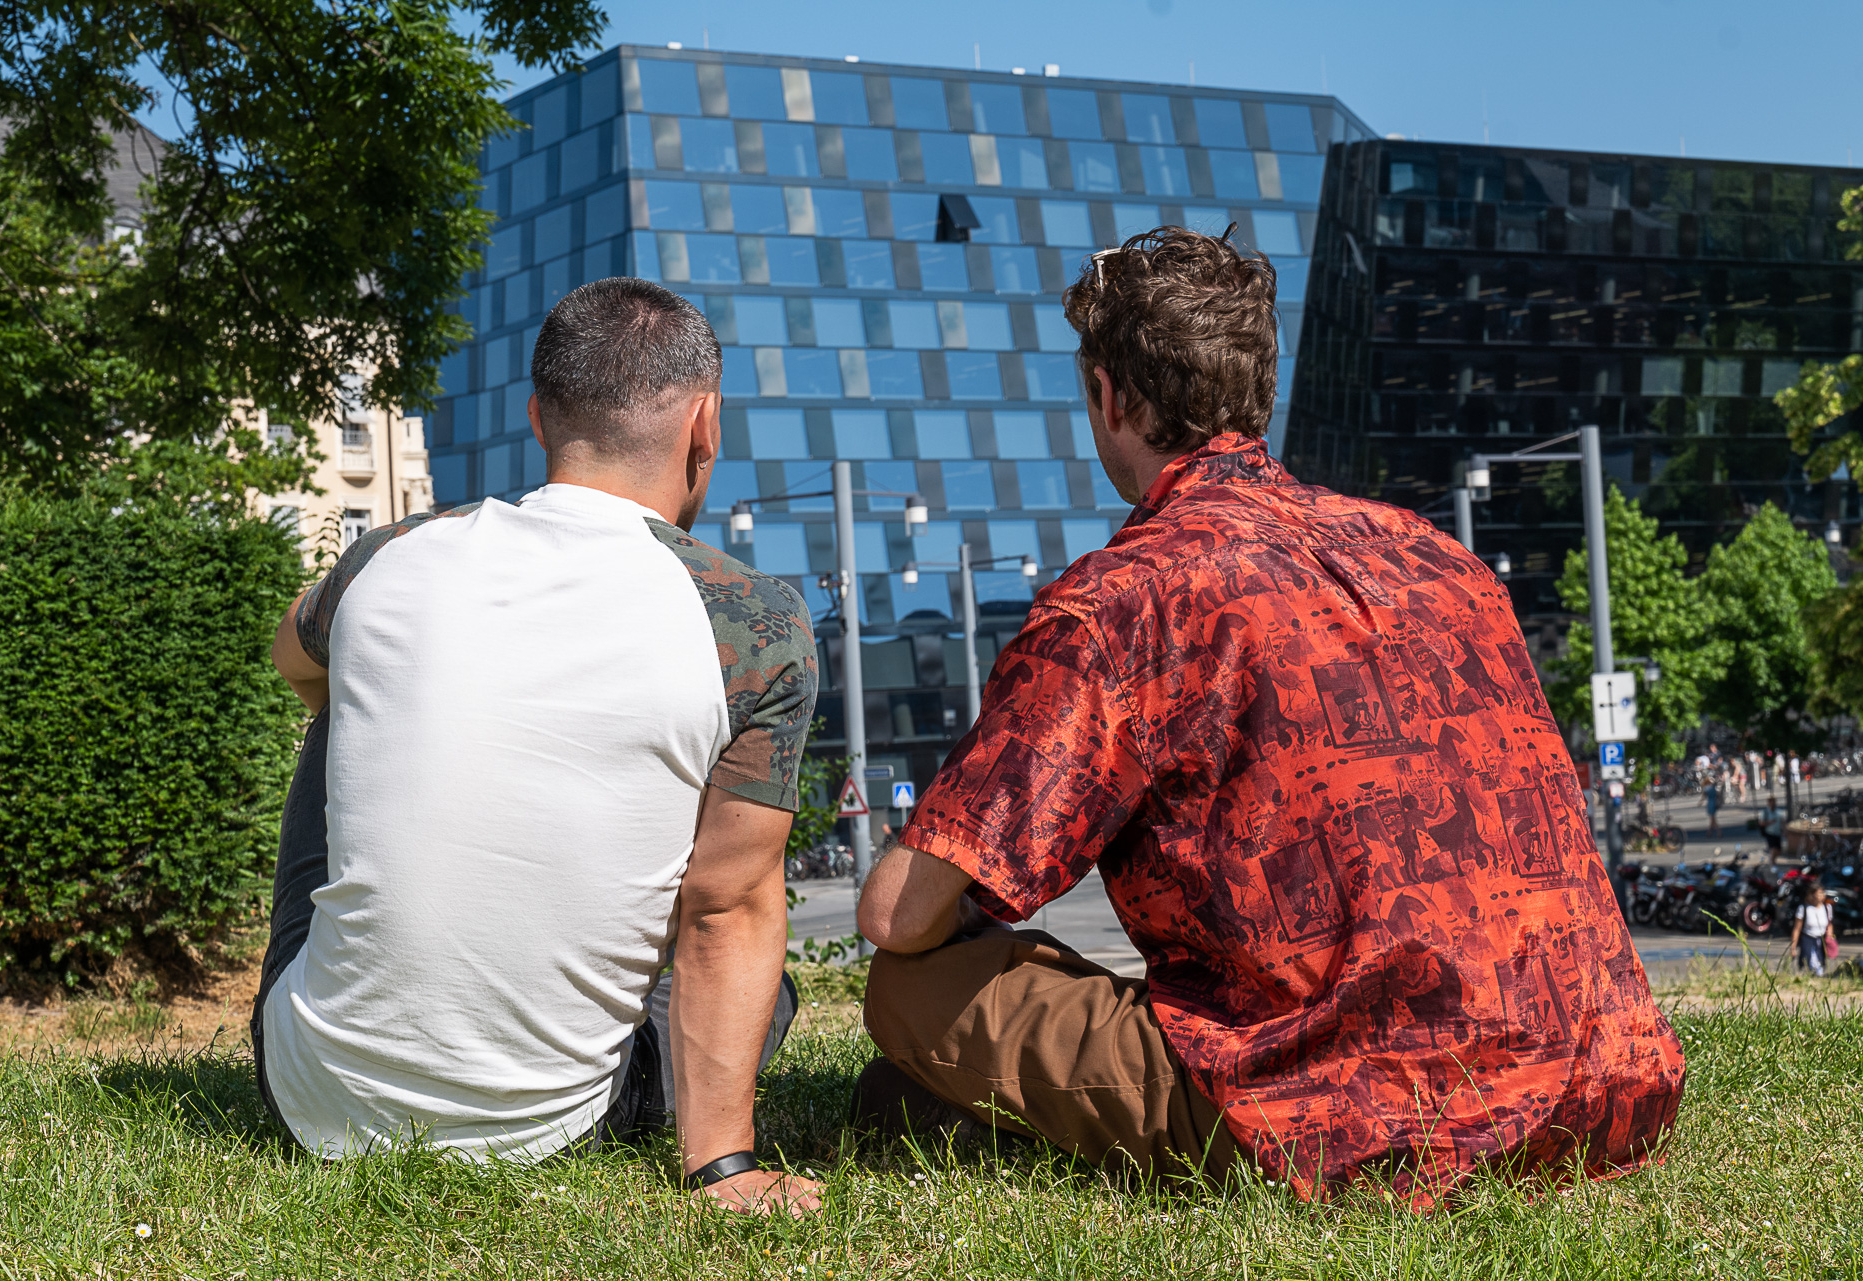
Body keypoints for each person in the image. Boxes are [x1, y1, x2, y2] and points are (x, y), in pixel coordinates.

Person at [852, 228, 1686, 1204]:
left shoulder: (1127, 598)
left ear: (1108, 396)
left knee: (910, 989)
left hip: (1359, 1117)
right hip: (1601, 1089)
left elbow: (895, 916)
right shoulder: (1440, 559)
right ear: (1261, 383)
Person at [253, 278, 822, 1214]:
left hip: (313, 1090)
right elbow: (726, 908)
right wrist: (725, 1165)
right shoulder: (753, 619)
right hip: (556, 1122)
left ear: (537, 418)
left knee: (336, 693)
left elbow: (291, 656)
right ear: (706, 424)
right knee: (773, 988)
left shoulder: (388, 554)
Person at [1793, 885, 1836, 977]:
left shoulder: (1827, 908)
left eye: (1822, 893)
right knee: (1810, 961)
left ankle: (1817, 978)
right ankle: (1813, 977)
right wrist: (1793, 947)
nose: (1821, 896)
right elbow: (1797, 929)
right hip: (1807, 938)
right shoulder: (1803, 908)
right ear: (1811, 895)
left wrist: (1830, 936)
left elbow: (1829, 924)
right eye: (1819, 893)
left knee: (1821, 961)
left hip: (1821, 939)